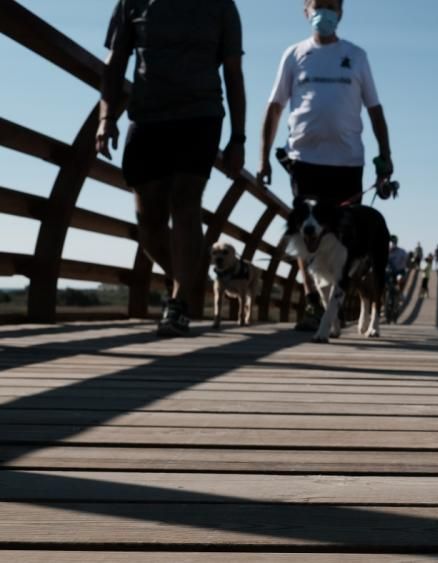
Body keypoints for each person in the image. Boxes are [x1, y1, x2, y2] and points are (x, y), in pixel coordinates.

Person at [97, 0, 246, 338]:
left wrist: (238, 138)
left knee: (185, 201)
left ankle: (177, 302)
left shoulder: (221, 6)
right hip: (148, 116)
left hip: (201, 114)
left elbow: (233, 73)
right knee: (148, 220)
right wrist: (106, 118)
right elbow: (115, 62)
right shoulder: (131, 3)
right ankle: (184, 278)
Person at [257, 0, 394, 332]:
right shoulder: (294, 54)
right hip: (304, 160)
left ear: (341, 12)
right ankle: (314, 304)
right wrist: (262, 158)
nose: (325, 12)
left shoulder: (357, 56)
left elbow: (375, 110)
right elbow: (275, 107)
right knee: (307, 234)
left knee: (348, 242)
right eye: (318, 5)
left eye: (332, 6)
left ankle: (341, 301)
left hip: (348, 162)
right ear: (306, 11)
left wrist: (385, 156)